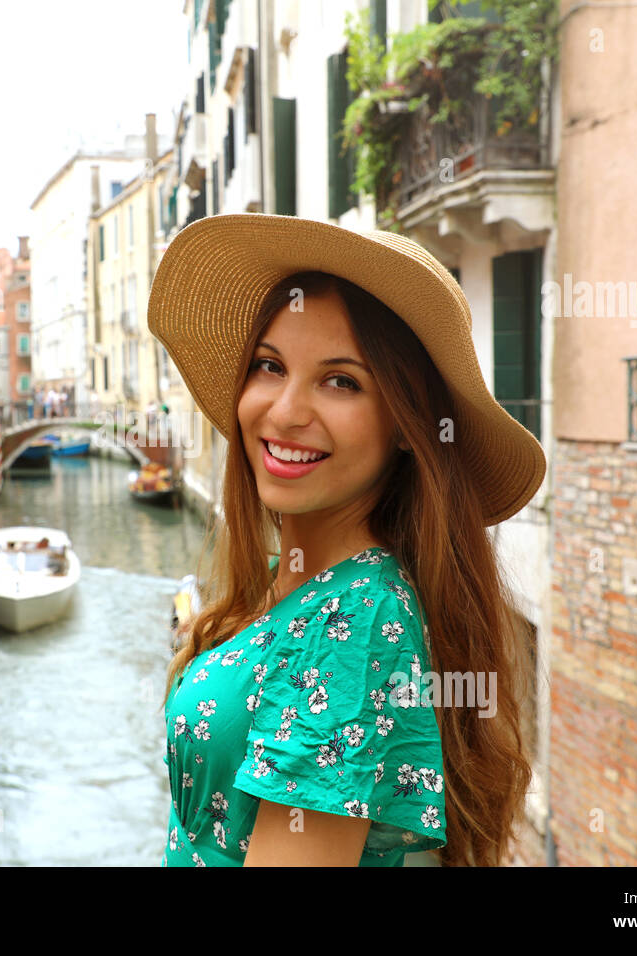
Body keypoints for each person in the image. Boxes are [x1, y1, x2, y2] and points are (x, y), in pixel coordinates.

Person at [147, 214, 545, 868]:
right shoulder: (295, 584)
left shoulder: (357, 618)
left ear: (405, 428)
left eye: (341, 381)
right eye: (269, 366)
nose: (284, 412)